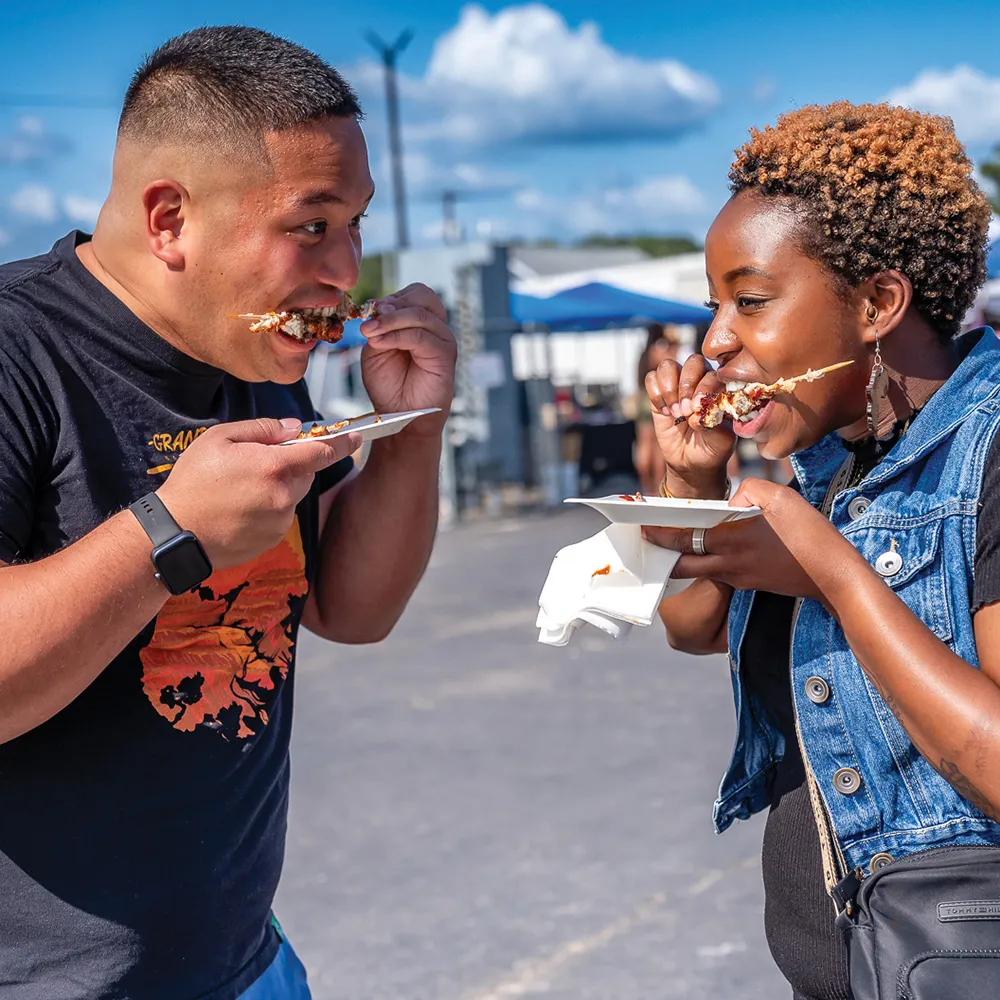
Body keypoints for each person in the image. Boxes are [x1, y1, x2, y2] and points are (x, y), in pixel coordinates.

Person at [0, 27, 456, 1000]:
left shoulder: (251, 364)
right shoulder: (17, 353)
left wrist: (411, 428)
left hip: (247, 964)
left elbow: (352, 608)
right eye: (311, 224)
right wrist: (173, 532)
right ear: (170, 218)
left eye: (356, 225)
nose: (348, 271)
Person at [643, 102, 1000, 999]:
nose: (717, 341)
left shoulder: (989, 448)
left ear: (878, 303)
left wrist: (836, 576)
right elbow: (690, 627)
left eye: (751, 301)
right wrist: (692, 486)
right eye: (714, 307)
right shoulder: (828, 458)